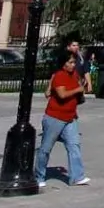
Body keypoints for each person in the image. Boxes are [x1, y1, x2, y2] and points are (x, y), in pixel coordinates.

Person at [35, 53, 89, 188]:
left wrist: (82, 87)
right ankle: (39, 176)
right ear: (63, 63)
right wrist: (78, 89)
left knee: (74, 145)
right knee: (46, 148)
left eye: (73, 62)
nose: (72, 65)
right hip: (55, 117)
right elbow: (62, 94)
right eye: (70, 62)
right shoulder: (59, 75)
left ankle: (77, 176)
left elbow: (78, 89)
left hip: (70, 117)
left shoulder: (75, 74)